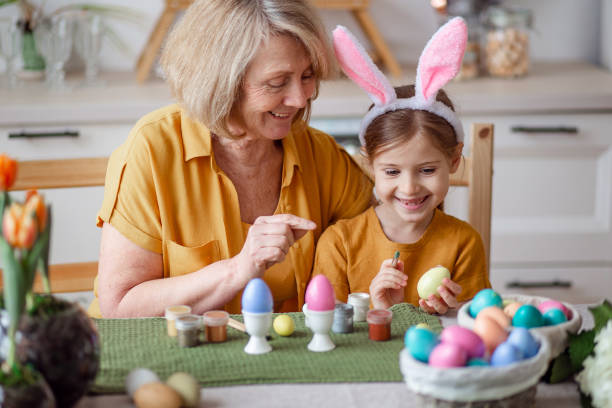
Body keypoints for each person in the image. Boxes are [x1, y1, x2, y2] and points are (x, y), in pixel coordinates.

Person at [90, 0, 373, 318]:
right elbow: (121, 305)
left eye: (307, 76)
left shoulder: (321, 155)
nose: (299, 98)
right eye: (277, 83)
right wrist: (238, 269)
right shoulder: (154, 149)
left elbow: (383, 238)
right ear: (221, 82)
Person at [312, 18, 491, 315]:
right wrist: (377, 309)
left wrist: (453, 311)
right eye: (392, 171)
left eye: (427, 170)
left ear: (455, 160)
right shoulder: (339, 243)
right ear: (369, 164)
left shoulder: (464, 243)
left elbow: (480, 325)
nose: (409, 188)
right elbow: (329, 332)